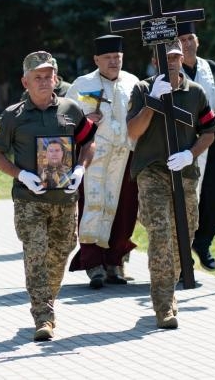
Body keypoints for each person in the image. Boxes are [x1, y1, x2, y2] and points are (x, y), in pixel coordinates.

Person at [0, 50, 97, 341]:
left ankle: (46, 300)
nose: (44, 81)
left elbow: (89, 143)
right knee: (36, 254)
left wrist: (80, 169)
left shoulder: (71, 110)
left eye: (48, 76)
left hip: (65, 200)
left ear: (56, 78)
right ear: (25, 81)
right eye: (37, 77)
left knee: (62, 251)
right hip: (30, 201)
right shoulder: (13, 116)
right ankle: (43, 316)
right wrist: (20, 174)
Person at [126, 39, 215, 329]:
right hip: (152, 171)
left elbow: (209, 131)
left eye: (176, 56)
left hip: (184, 173)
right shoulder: (142, 89)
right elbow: (133, 131)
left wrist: (191, 153)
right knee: (161, 235)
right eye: (166, 58)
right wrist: (153, 101)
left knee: (183, 236)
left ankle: (169, 290)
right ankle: (164, 304)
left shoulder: (196, 92)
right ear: (155, 61)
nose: (172, 62)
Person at [65, 34, 140, 288]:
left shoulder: (133, 83)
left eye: (117, 57)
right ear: (96, 59)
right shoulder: (82, 85)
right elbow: (67, 120)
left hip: (124, 156)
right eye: (107, 58)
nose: (113, 62)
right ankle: (93, 263)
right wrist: (86, 122)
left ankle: (115, 262)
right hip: (94, 156)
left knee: (123, 209)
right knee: (92, 207)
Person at [177, 21, 215, 271]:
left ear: (197, 41)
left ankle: (203, 242)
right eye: (182, 40)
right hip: (183, 148)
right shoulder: (171, 72)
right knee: (184, 202)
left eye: (190, 38)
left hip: (213, 146)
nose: (187, 44)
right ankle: (182, 258)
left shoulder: (211, 68)